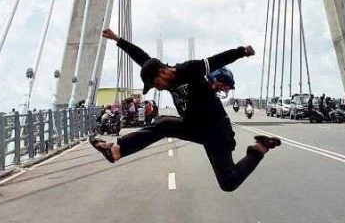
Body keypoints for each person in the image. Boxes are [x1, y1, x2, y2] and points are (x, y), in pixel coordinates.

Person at [90, 29, 280, 192]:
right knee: (162, 124)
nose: (159, 88)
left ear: (163, 71)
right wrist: (118, 40)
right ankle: (116, 150)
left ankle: (259, 148)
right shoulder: (163, 76)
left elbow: (217, 60)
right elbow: (143, 58)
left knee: (228, 182)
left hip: (215, 130)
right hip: (193, 126)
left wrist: (241, 51)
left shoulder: (189, 69)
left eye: (156, 84)